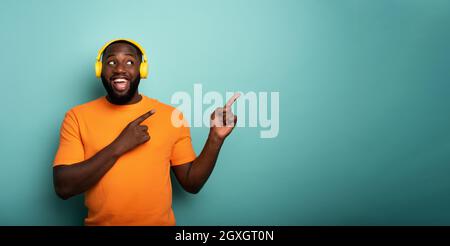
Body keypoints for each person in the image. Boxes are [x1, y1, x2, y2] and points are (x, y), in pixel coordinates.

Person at [53, 39, 239, 225]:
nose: (119, 69)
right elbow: (63, 187)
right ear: (99, 69)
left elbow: (192, 184)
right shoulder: (77, 117)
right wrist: (119, 145)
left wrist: (215, 138)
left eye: (129, 62)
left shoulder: (172, 116)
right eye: (111, 62)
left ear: (142, 70)